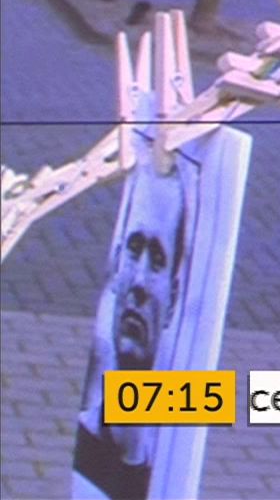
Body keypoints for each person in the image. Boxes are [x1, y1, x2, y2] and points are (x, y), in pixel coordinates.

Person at [74, 156, 190, 500]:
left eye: (157, 260)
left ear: (173, 296)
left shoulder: (165, 471)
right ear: (115, 264)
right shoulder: (86, 443)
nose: (139, 281)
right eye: (134, 249)